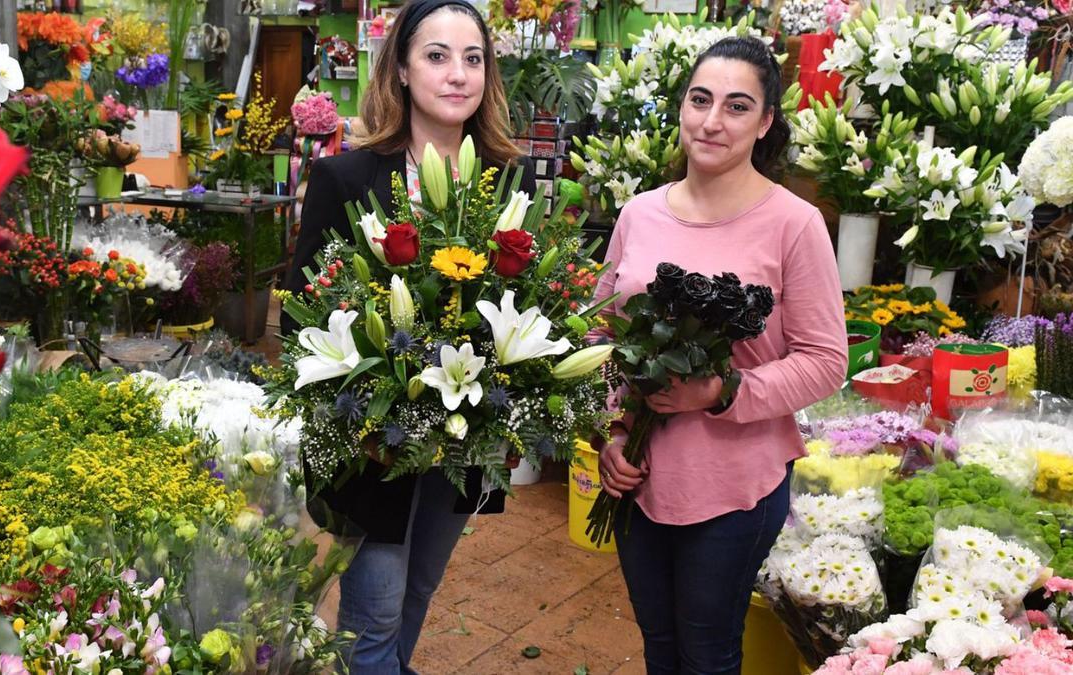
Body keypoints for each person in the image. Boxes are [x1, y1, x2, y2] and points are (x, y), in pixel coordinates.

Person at [281, 0, 535, 672]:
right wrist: (376, 387)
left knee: (419, 586)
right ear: (399, 69)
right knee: (375, 607)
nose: (458, 74)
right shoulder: (347, 176)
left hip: (463, 435)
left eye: (473, 58)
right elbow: (300, 314)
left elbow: (529, 303)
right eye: (437, 55)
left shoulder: (509, 178)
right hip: (373, 441)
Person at [590, 36, 847, 674]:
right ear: (681, 106)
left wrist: (722, 392)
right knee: (659, 644)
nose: (711, 121)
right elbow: (599, 336)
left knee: (707, 654)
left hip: (736, 484)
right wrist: (610, 433)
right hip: (639, 475)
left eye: (736, 107)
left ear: (764, 124)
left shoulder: (795, 223)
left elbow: (824, 359)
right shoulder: (640, 213)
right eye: (700, 100)